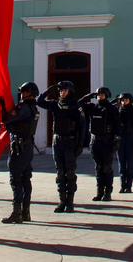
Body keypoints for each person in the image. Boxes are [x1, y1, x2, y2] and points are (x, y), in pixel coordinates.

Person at [37, 80, 83, 213]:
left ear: (70, 91)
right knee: (60, 172)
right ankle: (62, 201)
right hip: (57, 141)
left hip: (70, 141)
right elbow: (39, 102)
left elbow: (82, 126)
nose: (62, 92)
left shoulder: (75, 106)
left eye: (64, 90)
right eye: (60, 90)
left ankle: (70, 202)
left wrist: (80, 145)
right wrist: (48, 90)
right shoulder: (55, 104)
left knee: (70, 172)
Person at [0, 82, 39, 224]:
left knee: (16, 180)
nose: (22, 94)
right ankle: (25, 212)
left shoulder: (24, 108)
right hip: (27, 147)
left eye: (24, 92)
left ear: (31, 93)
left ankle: (17, 213)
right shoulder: (34, 108)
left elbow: (8, 120)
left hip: (19, 147)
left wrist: (2, 106)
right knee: (25, 179)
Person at [79, 87, 118, 201]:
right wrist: (89, 96)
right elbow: (79, 104)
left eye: (102, 94)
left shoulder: (111, 108)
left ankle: (107, 193)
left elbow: (117, 125)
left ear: (106, 95)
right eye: (98, 95)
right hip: (95, 140)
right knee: (98, 167)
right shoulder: (93, 107)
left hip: (107, 141)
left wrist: (116, 139)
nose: (99, 96)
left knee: (107, 167)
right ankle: (99, 192)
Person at [115, 93, 133, 193]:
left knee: (129, 165)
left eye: (126, 100)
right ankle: (122, 185)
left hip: (130, 140)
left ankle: (129, 186)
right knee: (121, 165)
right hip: (120, 140)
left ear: (130, 100)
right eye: (122, 100)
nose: (124, 102)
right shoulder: (117, 112)